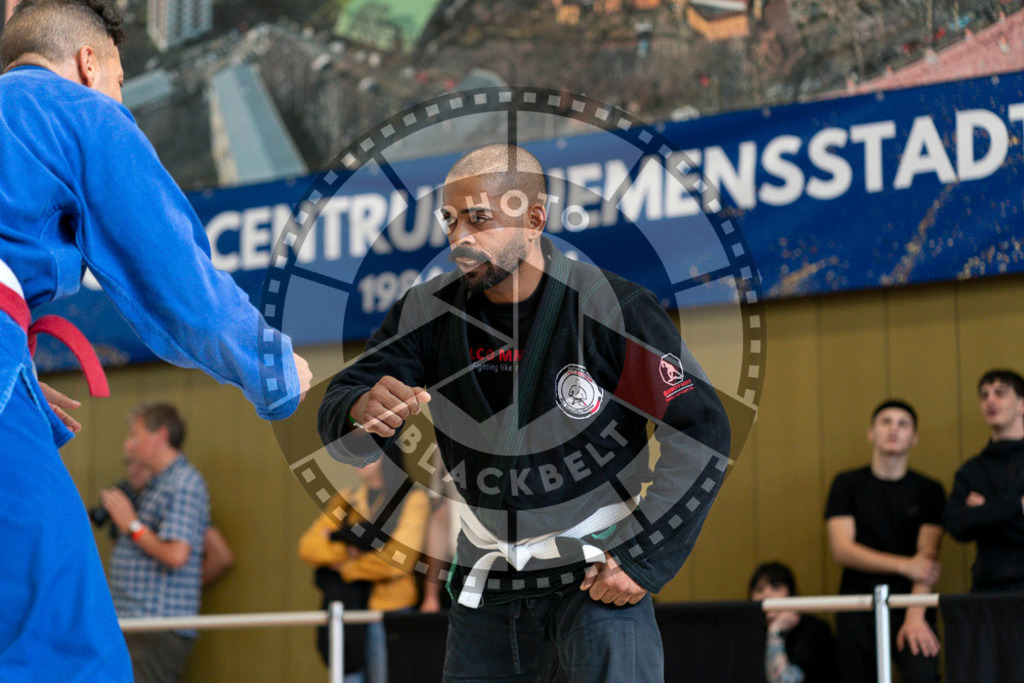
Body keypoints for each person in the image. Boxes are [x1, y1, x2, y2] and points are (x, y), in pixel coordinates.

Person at [317, 144, 731, 680]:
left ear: (534, 219)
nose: (460, 238)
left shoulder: (609, 309)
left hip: (596, 577)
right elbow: (342, 405)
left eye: (479, 219)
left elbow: (700, 428)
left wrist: (643, 557)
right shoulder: (428, 313)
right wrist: (358, 410)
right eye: (450, 221)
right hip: (487, 586)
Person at [0, 1, 311, 677]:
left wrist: (15, 376)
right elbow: (176, 284)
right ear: (89, 64)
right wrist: (276, 369)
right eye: (119, 80)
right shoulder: (76, 110)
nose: (120, 98)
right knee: (59, 631)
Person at [825, 399, 945, 683]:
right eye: (885, 421)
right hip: (857, 604)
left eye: (903, 423)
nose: (893, 428)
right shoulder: (847, 484)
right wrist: (905, 565)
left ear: (914, 438)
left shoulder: (929, 490)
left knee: (922, 675)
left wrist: (915, 617)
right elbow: (842, 550)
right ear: (871, 432)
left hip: (912, 603)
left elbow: (926, 561)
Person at [100, 404, 210, 682]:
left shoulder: (184, 483)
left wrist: (131, 525)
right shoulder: (159, 484)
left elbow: (176, 555)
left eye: (134, 435)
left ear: (160, 435)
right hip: (135, 623)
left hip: (155, 626)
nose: (128, 444)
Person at [298, 452, 429, 682]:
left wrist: (344, 563)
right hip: (348, 608)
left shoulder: (413, 498)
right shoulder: (346, 500)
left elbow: (396, 563)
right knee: (348, 676)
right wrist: (350, 550)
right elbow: (308, 547)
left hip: (391, 610)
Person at [91, 453, 236, 587]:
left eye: (141, 465)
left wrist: (181, 586)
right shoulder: (128, 501)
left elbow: (220, 557)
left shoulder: (174, 498)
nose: (133, 470)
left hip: (158, 610)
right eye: (129, 464)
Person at [944, 369, 1024, 592]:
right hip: (987, 592)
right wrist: (1016, 506)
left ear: (1021, 405)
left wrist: (984, 512)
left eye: (1000, 393)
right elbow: (956, 525)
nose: (990, 400)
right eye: (984, 395)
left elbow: (972, 522)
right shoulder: (972, 469)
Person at [748, 562, 837, 683]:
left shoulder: (814, 630)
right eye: (759, 589)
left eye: (776, 588)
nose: (767, 595)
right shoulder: (748, 633)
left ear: (791, 592)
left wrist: (775, 632)